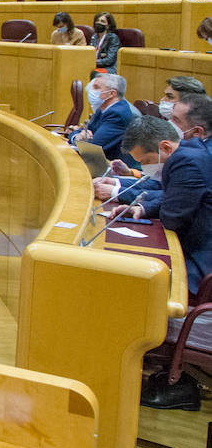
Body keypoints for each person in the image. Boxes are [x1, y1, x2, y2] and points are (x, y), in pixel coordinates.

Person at [116, 108, 212, 320]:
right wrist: (142, 207)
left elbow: (173, 217)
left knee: (127, 286)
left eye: (147, 161)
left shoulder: (186, 162)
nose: (145, 167)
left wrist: (156, 204)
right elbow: (173, 199)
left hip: (198, 265)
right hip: (192, 246)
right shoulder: (190, 151)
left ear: (165, 147)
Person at [69, 73, 136, 160]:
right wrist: (76, 137)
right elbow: (85, 132)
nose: (91, 91)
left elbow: (92, 148)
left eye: (96, 88)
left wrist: (79, 137)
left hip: (120, 168)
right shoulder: (102, 109)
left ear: (112, 93)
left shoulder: (117, 114)